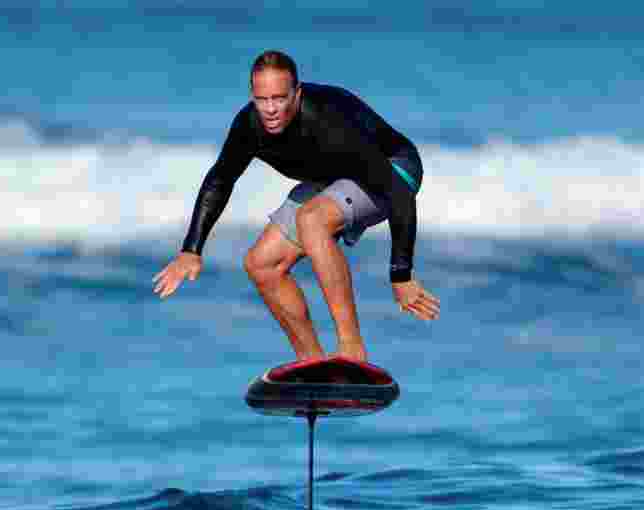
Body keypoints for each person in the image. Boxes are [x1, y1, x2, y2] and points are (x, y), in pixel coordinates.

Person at [153, 50, 440, 362]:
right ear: (252, 96)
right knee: (261, 264)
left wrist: (401, 275)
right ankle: (311, 364)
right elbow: (220, 179)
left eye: (280, 98)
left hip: (394, 171)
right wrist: (191, 250)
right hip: (336, 175)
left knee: (312, 220)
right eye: (263, 99)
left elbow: (398, 194)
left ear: (297, 94)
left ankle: (352, 351)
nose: (271, 109)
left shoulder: (329, 120)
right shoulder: (249, 126)